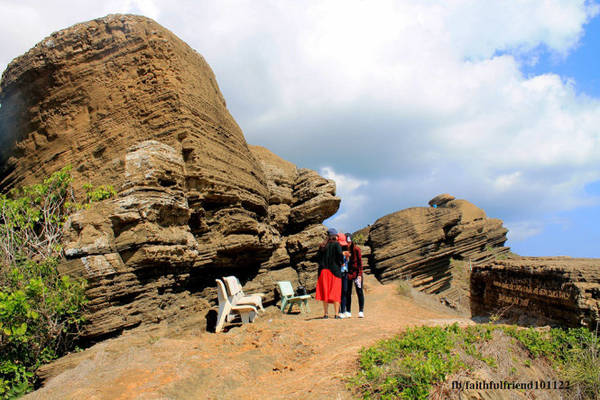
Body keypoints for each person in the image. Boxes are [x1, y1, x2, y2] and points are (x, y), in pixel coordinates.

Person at [316, 228, 344, 319]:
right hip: (334, 271)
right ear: (334, 236)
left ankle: (326, 314)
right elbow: (340, 256)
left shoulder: (322, 246)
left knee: (325, 292)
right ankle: (336, 314)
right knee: (336, 292)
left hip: (323, 271)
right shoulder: (336, 245)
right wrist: (342, 262)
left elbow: (318, 258)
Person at [344, 233, 365, 318]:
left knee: (359, 292)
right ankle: (348, 311)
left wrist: (360, 275)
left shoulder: (356, 249)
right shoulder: (344, 250)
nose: (348, 243)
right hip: (348, 273)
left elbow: (360, 263)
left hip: (357, 273)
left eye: (349, 241)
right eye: (347, 242)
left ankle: (361, 311)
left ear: (352, 241)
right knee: (348, 292)